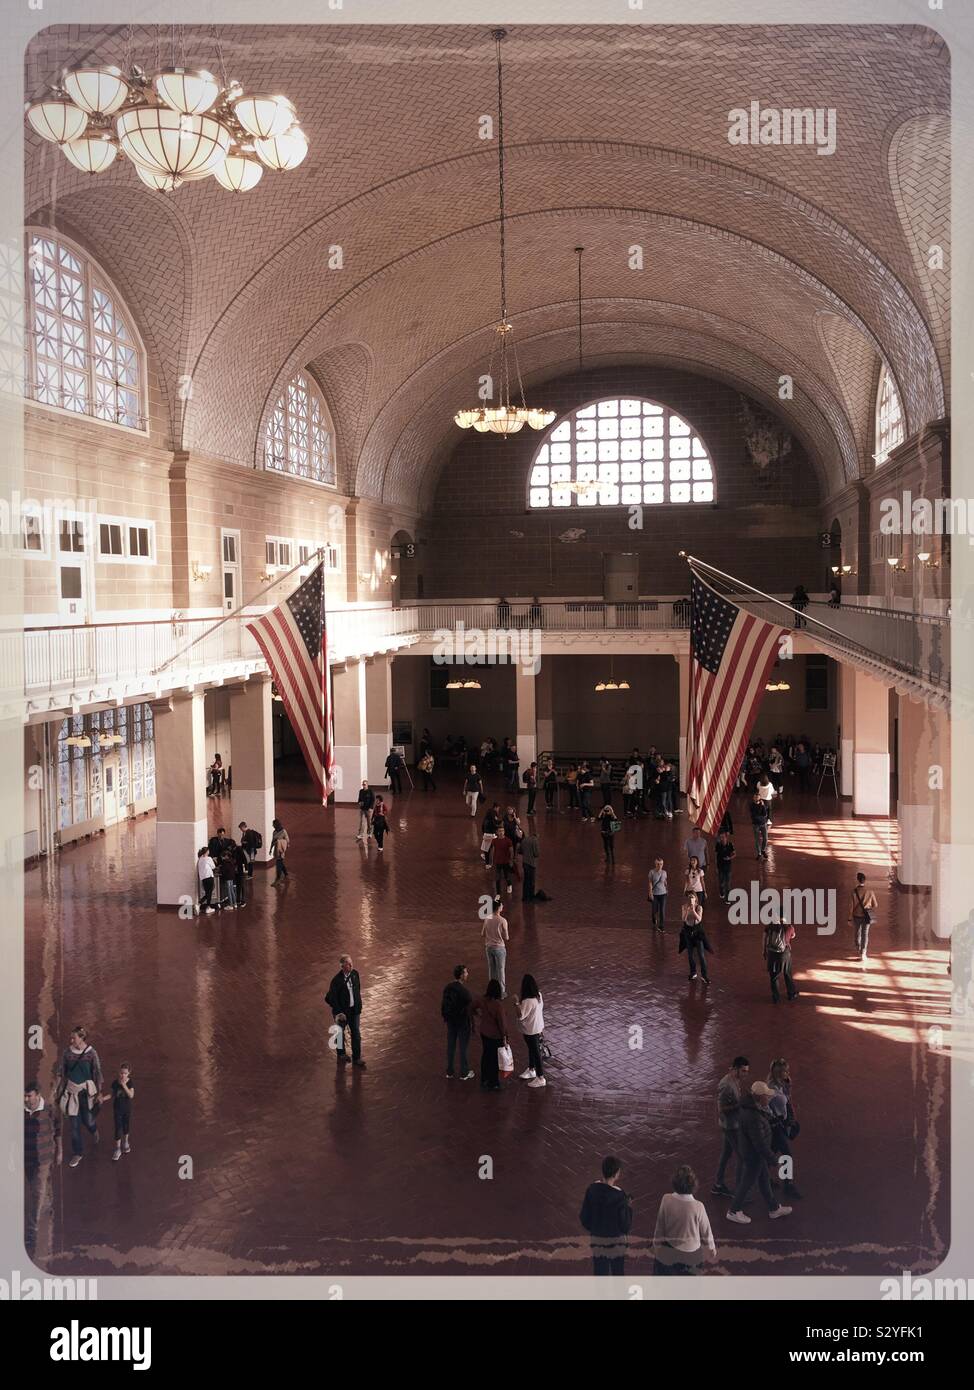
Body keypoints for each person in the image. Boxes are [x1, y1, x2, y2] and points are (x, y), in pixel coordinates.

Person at [726, 1082, 793, 1224]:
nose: (769, 1098)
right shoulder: (754, 1117)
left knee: (763, 1181)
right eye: (766, 1096)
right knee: (747, 1183)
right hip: (754, 1156)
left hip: (755, 1155)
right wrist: (773, 1159)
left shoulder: (752, 1108)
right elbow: (759, 1143)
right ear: (759, 1096)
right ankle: (733, 1211)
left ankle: (774, 1208)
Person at [653, 1165, 717, 1276]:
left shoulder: (666, 1199)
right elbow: (706, 1231)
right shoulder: (698, 1206)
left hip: (670, 1248)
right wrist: (711, 1248)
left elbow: (660, 1225)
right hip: (692, 1254)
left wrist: (656, 1243)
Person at [55, 1026, 103, 1169]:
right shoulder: (67, 1053)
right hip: (72, 1093)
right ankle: (78, 1152)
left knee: (88, 1120)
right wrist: (55, 1090)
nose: (71, 1040)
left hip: (86, 1094)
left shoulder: (91, 1053)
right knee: (74, 1126)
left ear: (82, 1038)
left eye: (74, 1037)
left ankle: (93, 1129)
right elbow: (60, 1073)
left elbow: (97, 1073)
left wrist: (99, 1092)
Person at [579, 1156, 633, 1276]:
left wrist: (595, 1228)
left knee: (600, 1273)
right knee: (618, 1272)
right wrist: (628, 1207)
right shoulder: (620, 1196)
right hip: (616, 1243)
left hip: (597, 1240)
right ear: (616, 1174)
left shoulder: (591, 1190)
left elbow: (584, 1218)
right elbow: (625, 1225)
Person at [24, 1082, 57, 1253]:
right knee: (35, 1188)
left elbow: (57, 1129)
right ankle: (48, 1200)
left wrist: (59, 1152)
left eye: (29, 1096)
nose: (26, 1099)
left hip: (43, 1159)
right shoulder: (20, 1111)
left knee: (36, 1194)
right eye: (25, 1096)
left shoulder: (49, 1109)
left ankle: (31, 1230)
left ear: (37, 1094)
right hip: (27, 1159)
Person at [713, 1056, 749, 1197]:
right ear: (736, 1069)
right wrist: (738, 1105)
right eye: (744, 1071)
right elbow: (721, 1108)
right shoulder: (726, 1084)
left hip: (734, 1123)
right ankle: (739, 1192)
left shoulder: (735, 1080)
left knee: (726, 1153)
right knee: (742, 1155)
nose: (746, 1074)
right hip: (730, 1126)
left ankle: (718, 1184)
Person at [767, 1057, 802, 1199]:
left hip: (781, 1123)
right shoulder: (771, 1089)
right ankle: (788, 1184)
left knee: (771, 1152)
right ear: (778, 1073)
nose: (788, 1073)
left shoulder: (781, 1084)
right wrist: (774, 1118)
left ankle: (765, 1178)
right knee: (787, 1154)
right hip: (776, 1125)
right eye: (785, 1071)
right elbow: (764, 1105)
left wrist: (788, 1086)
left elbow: (787, 1098)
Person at [325, 955, 366, 1068]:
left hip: (354, 1011)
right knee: (339, 1033)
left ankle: (357, 1057)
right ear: (343, 966)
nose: (351, 965)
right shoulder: (336, 981)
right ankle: (341, 1053)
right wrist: (339, 1012)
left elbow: (357, 990)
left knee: (356, 1033)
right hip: (342, 1013)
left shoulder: (355, 974)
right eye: (348, 963)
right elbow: (332, 998)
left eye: (351, 962)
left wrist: (358, 1005)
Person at [474, 978, 507, 1091]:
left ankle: (484, 1079)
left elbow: (472, 1007)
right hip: (495, 1036)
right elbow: (502, 1023)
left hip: (484, 1032)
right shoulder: (498, 1005)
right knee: (494, 1059)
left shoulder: (482, 1000)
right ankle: (494, 1082)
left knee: (486, 1055)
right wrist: (505, 1036)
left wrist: (478, 1015)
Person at [441, 965, 474, 1080]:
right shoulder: (465, 992)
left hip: (451, 1021)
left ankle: (449, 1071)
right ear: (461, 975)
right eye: (465, 972)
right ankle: (464, 1072)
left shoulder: (448, 987)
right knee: (463, 1047)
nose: (467, 974)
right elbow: (470, 1007)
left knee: (451, 1045)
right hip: (462, 1022)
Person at [514, 974, 547, 1087]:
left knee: (535, 1052)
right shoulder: (539, 996)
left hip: (530, 1029)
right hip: (537, 1027)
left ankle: (540, 1077)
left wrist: (516, 1003)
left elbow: (520, 1015)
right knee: (532, 1049)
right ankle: (531, 1069)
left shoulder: (527, 1001)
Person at [101, 1063, 134, 1161]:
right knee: (117, 1128)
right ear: (119, 1072)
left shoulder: (130, 1083)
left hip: (127, 1109)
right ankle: (118, 1149)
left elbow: (131, 1095)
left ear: (129, 1073)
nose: (123, 1075)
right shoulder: (115, 1083)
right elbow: (112, 1094)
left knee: (126, 1126)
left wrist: (124, 1085)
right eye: (121, 1073)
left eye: (125, 1073)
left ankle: (126, 1142)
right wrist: (102, 1099)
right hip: (117, 1109)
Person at [679, 893, 712, 984]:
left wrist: (693, 911)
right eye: (689, 898)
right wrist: (687, 911)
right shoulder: (684, 907)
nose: (690, 900)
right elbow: (683, 919)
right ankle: (693, 973)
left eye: (692, 898)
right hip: (688, 932)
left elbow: (699, 919)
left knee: (701, 955)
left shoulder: (699, 907)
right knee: (690, 954)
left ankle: (704, 976)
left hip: (697, 932)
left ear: (695, 899)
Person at [763, 919, 798, 1003]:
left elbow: (764, 938)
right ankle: (791, 994)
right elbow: (793, 936)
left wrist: (764, 950)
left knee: (774, 977)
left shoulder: (770, 926)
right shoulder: (789, 927)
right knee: (787, 974)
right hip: (785, 954)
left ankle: (776, 998)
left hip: (773, 954)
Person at [481, 896, 509, 995]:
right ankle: (502, 991)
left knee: (491, 969)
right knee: (501, 970)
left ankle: (492, 991)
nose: (503, 906)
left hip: (489, 947)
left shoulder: (487, 918)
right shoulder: (502, 920)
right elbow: (506, 937)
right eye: (501, 905)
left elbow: (482, 933)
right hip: (499, 948)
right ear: (499, 908)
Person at [850, 871, 878, 960]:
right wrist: (868, 905)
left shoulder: (854, 892)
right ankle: (863, 953)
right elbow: (875, 904)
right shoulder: (870, 892)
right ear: (864, 880)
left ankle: (857, 947)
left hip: (856, 915)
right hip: (867, 916)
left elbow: (851, 906)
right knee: (865, 934)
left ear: (857, 880)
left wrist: (849, 918)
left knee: (857, 932)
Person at [492, 828, 515, 896]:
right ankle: (498, 892)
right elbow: (493, 851)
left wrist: (511, 860)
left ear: (504, 832)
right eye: (500, 831)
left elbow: (511, 851)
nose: (501, 832)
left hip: (506, 862)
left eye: (502, 831)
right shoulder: (494, 841)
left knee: (506, 876)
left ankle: (509, 885)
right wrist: (492, 861)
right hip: (498, 862)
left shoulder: (508, 841)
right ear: (497, 832)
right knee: (497, 877)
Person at [715, 830, 736, 902]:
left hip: (728, 867)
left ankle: (727, 899)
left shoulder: (730, 844)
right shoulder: (718, 845)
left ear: (726, 838)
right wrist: (716, 867)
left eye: (723, 837)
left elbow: (734, 854)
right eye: (720, 837)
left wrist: (729, 858)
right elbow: (716, 855)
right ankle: (721, 891)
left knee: (728, 884)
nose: (722, 839)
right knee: (721, 882)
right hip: (720, 866)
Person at [521, 828, 540, 903]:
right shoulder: (535, 841)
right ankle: (531, 897)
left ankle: (525, 897)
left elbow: (520, 850)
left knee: (526, 880)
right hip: (531, 863)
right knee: (532, 881)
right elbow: (536, 853)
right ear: (536, 835)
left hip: (524, 863)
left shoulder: (524, 840)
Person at [648, 857, 667, 932]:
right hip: (655, 894)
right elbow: (650, 883)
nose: (659, 866)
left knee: (662, 910)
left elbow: (665, 881)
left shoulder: (664, 872)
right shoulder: (651, 872)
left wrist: (666, 888)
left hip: (663, 894)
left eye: (661, 864)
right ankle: (654, 918)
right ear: (655, 864)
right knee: (654, 910)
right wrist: (650, 892)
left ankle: (661, 926)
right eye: (658, 864)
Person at [749, 793, 770, 859]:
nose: (756, 798)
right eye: (755, 797)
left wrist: (763, 806)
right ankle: (759, 853)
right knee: (757, 840)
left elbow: (765, 814)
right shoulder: (751, 805)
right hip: (756, 825)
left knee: (765, 838)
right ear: (753, 798)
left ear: (759, 798)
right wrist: (761, 807)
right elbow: (754, 815)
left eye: (757, 797)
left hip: (763, 824)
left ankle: (763, 850)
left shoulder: (762, 805)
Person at [197, 846, 216, 913]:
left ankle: (199, 904)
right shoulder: (209, 858)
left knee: (208, 893)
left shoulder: (200, 859)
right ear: (207, 851)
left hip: (203, 878)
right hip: (209, 877)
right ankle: (207, 907)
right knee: (209, 893)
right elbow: (213, 867)